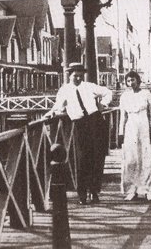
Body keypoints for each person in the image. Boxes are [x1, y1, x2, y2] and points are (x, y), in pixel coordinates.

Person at [44, 62, 112, 205]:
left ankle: (94, 192)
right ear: (69, 75)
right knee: (82, 159)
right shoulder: (65, 90)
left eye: (81, 76)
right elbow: (58, 106)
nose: (78, 79)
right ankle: (82, 194)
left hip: (95, 121)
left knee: (97, 158)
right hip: (80, 124)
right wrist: (50, 114)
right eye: (75, 76)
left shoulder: (89, 86)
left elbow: (107, 92)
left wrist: (103, 104)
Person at [119, 70, 151, 201]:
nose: (130, 83)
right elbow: (123, 116)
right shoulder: (124, 97)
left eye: (132, 80)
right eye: (128, 81)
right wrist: (120, 133)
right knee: (131, 159)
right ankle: (131, 189)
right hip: (130, 128)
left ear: (137, 80)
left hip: (144, 127)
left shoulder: (145, 94)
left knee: (146, 158)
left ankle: (149, 188)